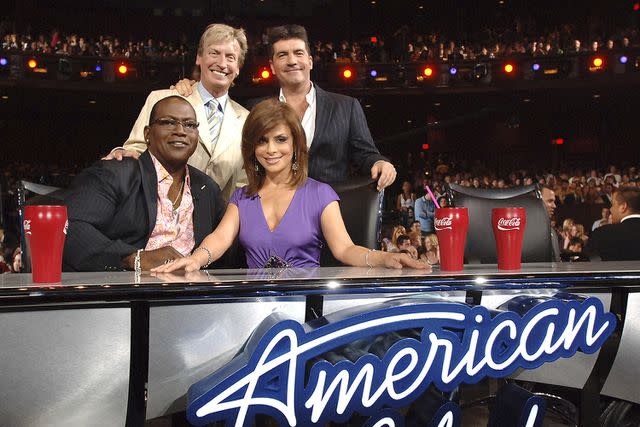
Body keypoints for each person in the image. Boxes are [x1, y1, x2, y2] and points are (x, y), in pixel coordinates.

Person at [153, 99, 427, 272]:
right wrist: (196, 259)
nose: (271, 149)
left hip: (305, 308)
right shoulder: (242, 197)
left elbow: (345, 249)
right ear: (252, 148)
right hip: (251, 308)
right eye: (262, 141)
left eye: (280, 139)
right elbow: (219, 239)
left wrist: (386, 259)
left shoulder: (321, 194)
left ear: (296, 145)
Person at [173, 24, 397, 191]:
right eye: (282, 55)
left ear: (310, 60)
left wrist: (380, 162)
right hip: (273, 215)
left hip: (331, 215)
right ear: (272, 66)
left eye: (298, 53)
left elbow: (366, 154)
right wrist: (189, 87)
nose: (292, 61)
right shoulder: (255, 109)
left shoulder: (346, 107)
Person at [63, 96, 225, 271]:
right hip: (126, 292)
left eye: (190, 125)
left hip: (190, 293)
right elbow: (70, 227)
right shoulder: (117, 173)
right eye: (169, 122)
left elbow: (227, 245)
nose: (181, 131)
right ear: (148, 134)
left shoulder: (207, 188)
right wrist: (133, 259)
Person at [104, 24, 249, 201]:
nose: (222, 63)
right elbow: (136, 149)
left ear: (238, 67)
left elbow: (243, 183)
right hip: (156, 215)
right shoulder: (161, 99)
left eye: (230, 57)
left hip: (216, 224)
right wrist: (121, 154)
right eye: (214, 53)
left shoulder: (247, 120)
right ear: (199, 58)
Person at [584, 187, 640, 261]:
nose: (610, 209)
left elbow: (585, 264)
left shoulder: (602, 233)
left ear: (623, 207)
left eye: (613, 204)